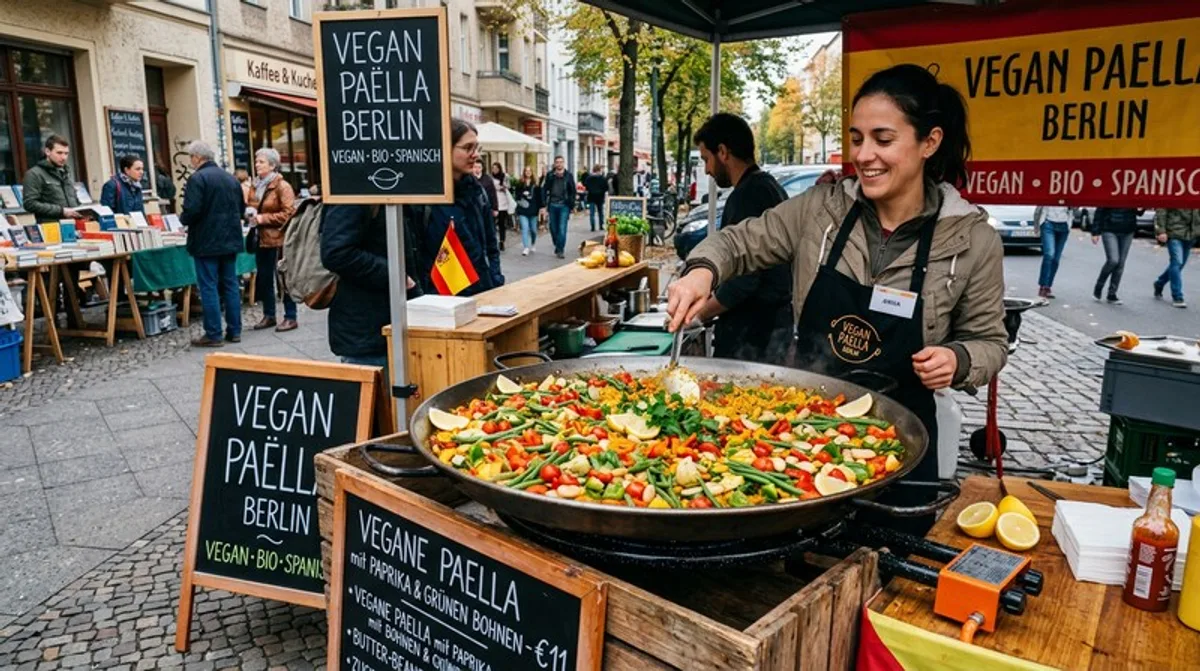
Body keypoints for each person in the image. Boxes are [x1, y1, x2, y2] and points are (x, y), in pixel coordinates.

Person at [667, 64, 1007, 522]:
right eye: (856, 138)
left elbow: (990, 341)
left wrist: (959, 358)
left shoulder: (972, 239)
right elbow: (739, 242)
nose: (864, 155)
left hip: (903, 438)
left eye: (883, 140)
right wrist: (701, 271)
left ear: (929, 142)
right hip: (805, 434)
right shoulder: (820, 210)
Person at [689, 113, 792, 365]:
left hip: (753, 336)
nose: (707, 170)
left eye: (706, 159)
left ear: (723, 152)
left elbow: (744, 281)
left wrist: (697, 315)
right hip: (772, 328)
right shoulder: (768, 186)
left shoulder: (748, 195)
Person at [321, 204, 421, 370]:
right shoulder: (353, 196)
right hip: (368, 328)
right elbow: (336, 253)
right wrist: (395, 275)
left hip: (394, 322)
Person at [410, 119, 504, 296]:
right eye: (468, 148)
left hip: (482, 292)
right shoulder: (423, 196)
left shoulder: (478, 192)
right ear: (445, 147)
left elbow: (491, 244)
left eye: (476, 148)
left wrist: (495, 278)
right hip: (441, 298)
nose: (475, 155)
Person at [179, 140, 245, 347]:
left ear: (198, 157)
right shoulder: (230, 178)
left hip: (206, 240)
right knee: (230, 284)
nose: (191, 161)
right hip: (230, 239)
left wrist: (183, 220)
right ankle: (235, 330)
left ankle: (214, 334)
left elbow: (192, 210)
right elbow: (241, 209)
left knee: (208, 287)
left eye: (191, 157)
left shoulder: (197, 178)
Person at [246, 148, 299, 332]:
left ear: (272, 165)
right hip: (261, 238)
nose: (257, 164)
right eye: (256, 161)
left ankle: (290, 316)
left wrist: (263, 219)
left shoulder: (282, 186)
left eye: (261, 162)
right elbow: (252, 205)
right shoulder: (255, 185)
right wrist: (250, 213)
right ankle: (269, 315)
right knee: (264, 278)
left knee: (283, 278)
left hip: (278, 239)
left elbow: (289, 213)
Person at [21, 135, 80, 221]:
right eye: (59, 153)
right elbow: (29, 204)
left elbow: (73, 199)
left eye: (66, 153)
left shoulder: (66, 172)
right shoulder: (34, 174)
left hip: (73, 224)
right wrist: (61, 211)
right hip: (50, 226)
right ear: (47, 152)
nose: (63, 157)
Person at [1090, 207, 1140, 304]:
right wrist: (1095, 232)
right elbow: (1100, 210)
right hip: (1109, 228)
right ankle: (1099, 286)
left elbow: (1138, 212)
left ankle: (1112, 293)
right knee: (1113, 260)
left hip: (1128, 229)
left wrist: (1142, 208)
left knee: (1121, 263)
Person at [1153, 208, 1200, 309]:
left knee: (1179, 264)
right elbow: (1162, 210)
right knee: (1177, 262)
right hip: (1174, 232)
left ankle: (1159, 283)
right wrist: (1161, 231)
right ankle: (1177, 296)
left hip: (1191, 234)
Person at [1033, 203, 1076, 299]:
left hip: (1064, 225)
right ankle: (1043, 286)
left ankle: (1048, 286)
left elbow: (1075, 207)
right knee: (1049, 254)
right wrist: (1036, 226)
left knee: (1056, 259)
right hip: (1048, 223)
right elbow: (1038, 208)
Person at [540, 156, 576, 258]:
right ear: (555, 164)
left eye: (561, 162)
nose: (559, 164)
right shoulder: (550, 175)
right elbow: (544, 189)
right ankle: (557, 244)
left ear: (563, 163)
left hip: (564, 205)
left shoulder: (568, 175)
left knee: (562, 228)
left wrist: (572, 204)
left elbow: (572, 191)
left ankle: (560, 250)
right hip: (552, 205)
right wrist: (543, 204)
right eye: (557, 162)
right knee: (553, 228)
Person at [514, 166, 542, 256]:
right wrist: (522, 194)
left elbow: (539, 198)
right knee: (525, 228)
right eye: (526, 171)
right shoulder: (520, 183)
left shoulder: (536, 184)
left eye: (529, 171)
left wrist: (542, 208)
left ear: (532, 172)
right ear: (524, 172)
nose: (528, 172)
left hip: (533, 210)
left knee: (533, 230)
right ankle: (526, 247)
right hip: (523, 210)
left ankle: (533, 243)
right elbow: (516, 196)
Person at [490, 162, 514, 251]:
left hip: (503, 203)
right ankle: (493, 241)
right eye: (493, 168)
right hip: (493, 203)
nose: (494, 170)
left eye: (496, 168)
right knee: (492, 224)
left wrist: (502, 187)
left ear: (499, 169)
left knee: (502, 224)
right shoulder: (490, 178)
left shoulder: (504, 176)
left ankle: (502, 241)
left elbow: (509, 186)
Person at [583, 164, 609, 232]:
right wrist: (602, 191)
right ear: (599, 170)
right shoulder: (602, 178)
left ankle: (593, 226)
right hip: (600, 197)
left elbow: (586, 186)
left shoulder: (589, 178)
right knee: (600, 212)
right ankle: (601, 225)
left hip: (591, 196)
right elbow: (606, 187)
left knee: (592, 213)